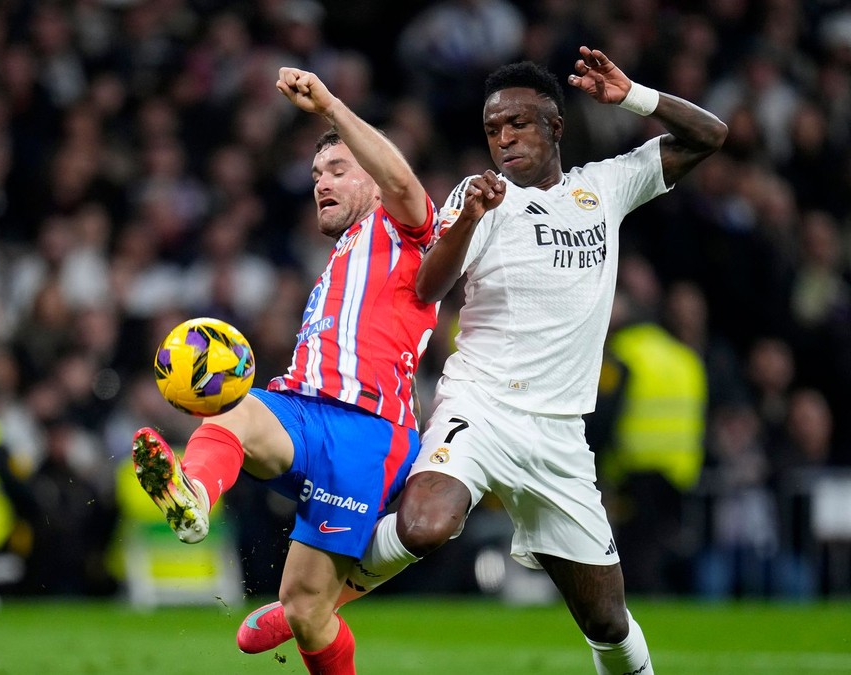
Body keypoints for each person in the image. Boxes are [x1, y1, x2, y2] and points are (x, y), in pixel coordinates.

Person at [239, 48, 726, 674]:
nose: (503, 138)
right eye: (493, 129)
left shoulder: (604, 188)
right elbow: (427, 286)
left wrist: (632, 96)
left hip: (559, 433)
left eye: (517, 124)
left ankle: (313, 602)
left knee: (606, 620)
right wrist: (469, 218)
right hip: (482, 405)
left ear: (554, 125)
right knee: (423, 524)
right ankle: (313, 603)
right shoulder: (480, 196)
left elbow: (711, 135)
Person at [131, 66, 437, 675]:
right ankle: (193, 497)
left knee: (305, 611)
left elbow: (400, 176)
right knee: (234, 405)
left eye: (338, 170)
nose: (321, 183)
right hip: (303, 410)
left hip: (366, 431)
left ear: (372, 180)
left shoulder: (404, 229)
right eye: (316, 175)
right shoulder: (336, 261)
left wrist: (329, 108)